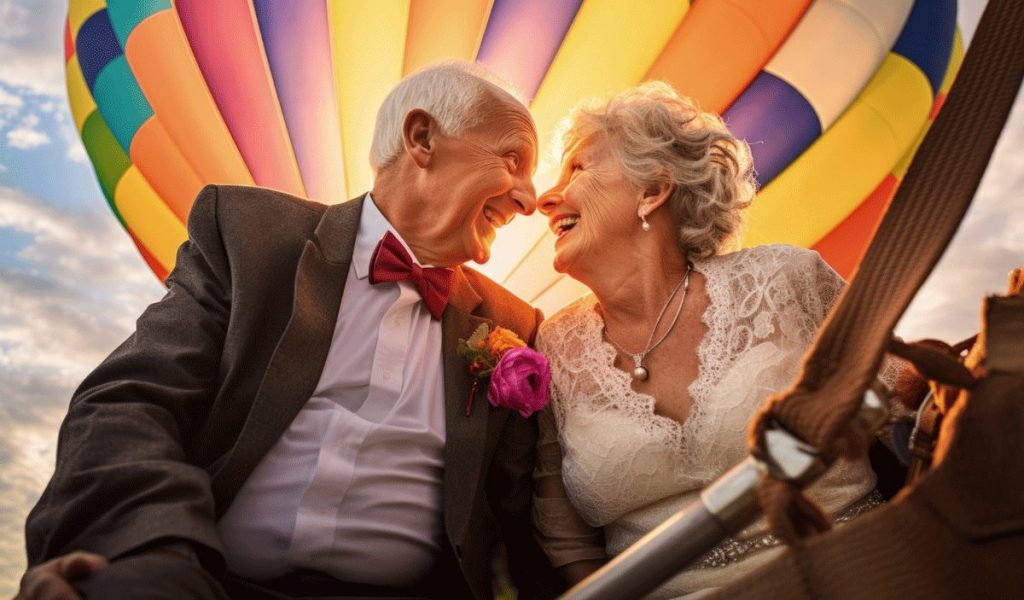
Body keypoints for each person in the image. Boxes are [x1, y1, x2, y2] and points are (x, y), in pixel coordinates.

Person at [19, 61, 556, 600]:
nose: (529, 200)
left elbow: (520, 513)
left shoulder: (514, 325)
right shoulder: (251, 233)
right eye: (513, 160)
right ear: (422, 138)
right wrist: (153, 551)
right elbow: (129, 401)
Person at [531, 82, 889, 597]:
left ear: (652, 192)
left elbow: (911, 400)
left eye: (579, 169)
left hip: (853, 577)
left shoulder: (785, 278)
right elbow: (563, 534)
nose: (546, 199)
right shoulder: (554, 344)